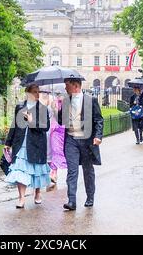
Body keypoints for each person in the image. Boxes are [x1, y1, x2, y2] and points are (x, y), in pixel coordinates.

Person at [58, 78, 103, 210]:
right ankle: (71, 201)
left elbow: (99, 120)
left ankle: (90, 197)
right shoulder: (66, 101)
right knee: (72, 171)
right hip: (71, 140)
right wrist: (60, 108)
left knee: (87, 170)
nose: (65, 88)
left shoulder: (91, 100)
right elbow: (61, 121)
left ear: (76, 86)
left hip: (86, 140)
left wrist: (98, 136)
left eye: (67, 85)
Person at [4, 83, 50, 208]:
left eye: (38, 92)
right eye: (34, 92)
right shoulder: (20, 107)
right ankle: (21, 198)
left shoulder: (42, 108)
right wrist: (8, 143)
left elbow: (46, 127)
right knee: (19, 169)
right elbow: (14, 125)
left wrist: (32, 122)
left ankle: (37, 192)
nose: (37, 94)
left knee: (37, 170)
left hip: (36, 144)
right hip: (21, 144)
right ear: (27, 93)